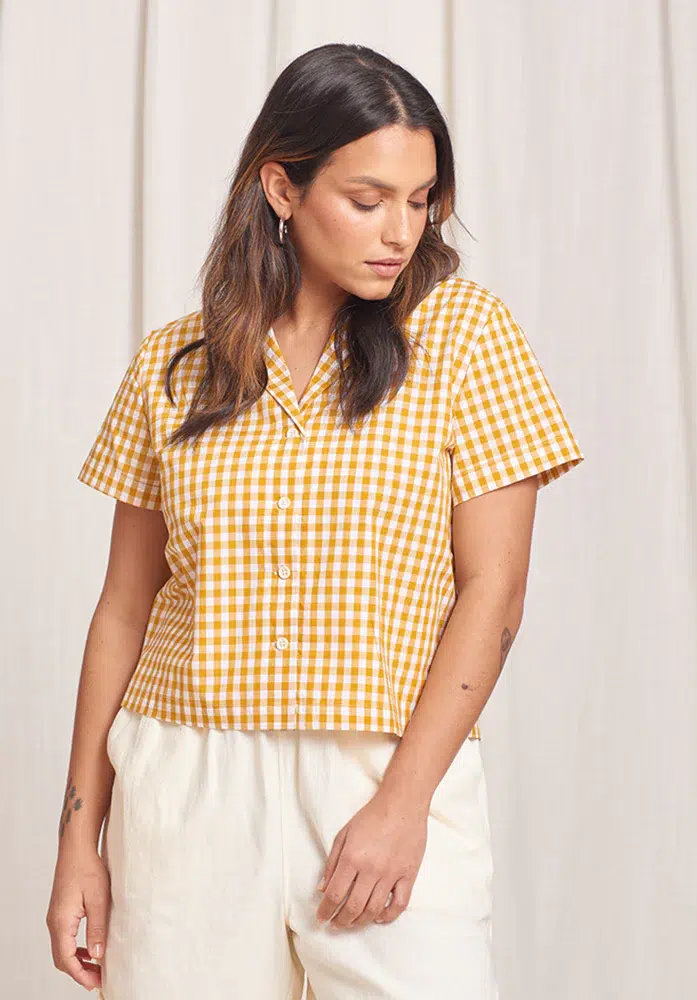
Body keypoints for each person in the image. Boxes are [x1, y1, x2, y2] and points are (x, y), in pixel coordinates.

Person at [46, 41, 584, 1000]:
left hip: (383, 767)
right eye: (367, 200)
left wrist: (403, 804)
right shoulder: (175, 365)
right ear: (281, 188)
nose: (399, 232)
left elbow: (494, 593)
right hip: (188, 780)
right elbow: (123, 611)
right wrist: (78, 842)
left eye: (420, 200)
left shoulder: (466, 335)